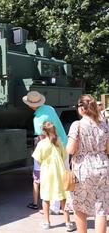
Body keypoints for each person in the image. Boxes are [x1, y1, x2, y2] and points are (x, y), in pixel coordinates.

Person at [66, 94, 109, 233]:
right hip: (103, 166)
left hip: (83, 168)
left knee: (79, 206)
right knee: (100, 207)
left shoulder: (77, 125)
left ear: (82, 108)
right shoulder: (103, 124)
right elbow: (108, 148)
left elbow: (71, 149)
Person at [23, 91, 67, 214]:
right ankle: (68, 205)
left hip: (52, 152)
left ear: (30, 105)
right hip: (63, 144)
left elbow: (43, 140)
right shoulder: (49, 108)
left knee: (52, 178)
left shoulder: (37, 119)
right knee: (64, 177)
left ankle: (54, 207)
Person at [32, 121, 76, 231]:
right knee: (63, 198)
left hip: (47, 173)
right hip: (60, 172)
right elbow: (64, 155)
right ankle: (68, 223)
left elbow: (38, 158)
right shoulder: (59, 142)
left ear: (43, 131)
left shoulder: (41, 144)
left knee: (46, 198)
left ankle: (47, 222)